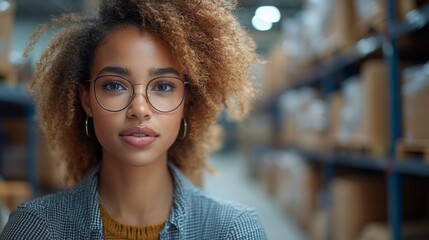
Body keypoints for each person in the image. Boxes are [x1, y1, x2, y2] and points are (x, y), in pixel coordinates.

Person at [0, 0, 267, 239]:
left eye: (163, 86)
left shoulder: (234, 231)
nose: (139, 109)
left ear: (187, 102)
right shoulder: (36, 229)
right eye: (115, 86)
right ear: (86, 100)